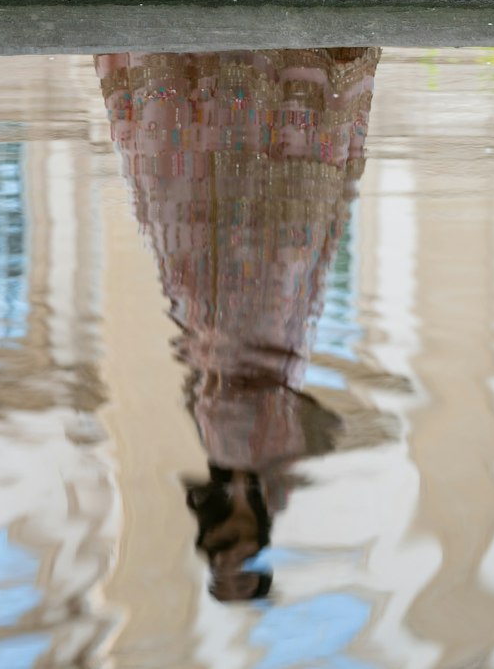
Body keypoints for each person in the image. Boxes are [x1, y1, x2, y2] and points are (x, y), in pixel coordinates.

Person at [95, 46, 386, 600]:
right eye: (241, 554)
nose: (232, 545)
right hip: (262, 324)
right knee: (268, 228)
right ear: (256, 541)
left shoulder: (228, 457)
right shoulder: (272, 472)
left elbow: (293, 415)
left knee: (218, 208)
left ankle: (235, 58)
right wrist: (277, 466)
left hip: (224, 315)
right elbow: (326, 425)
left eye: (224, 553)